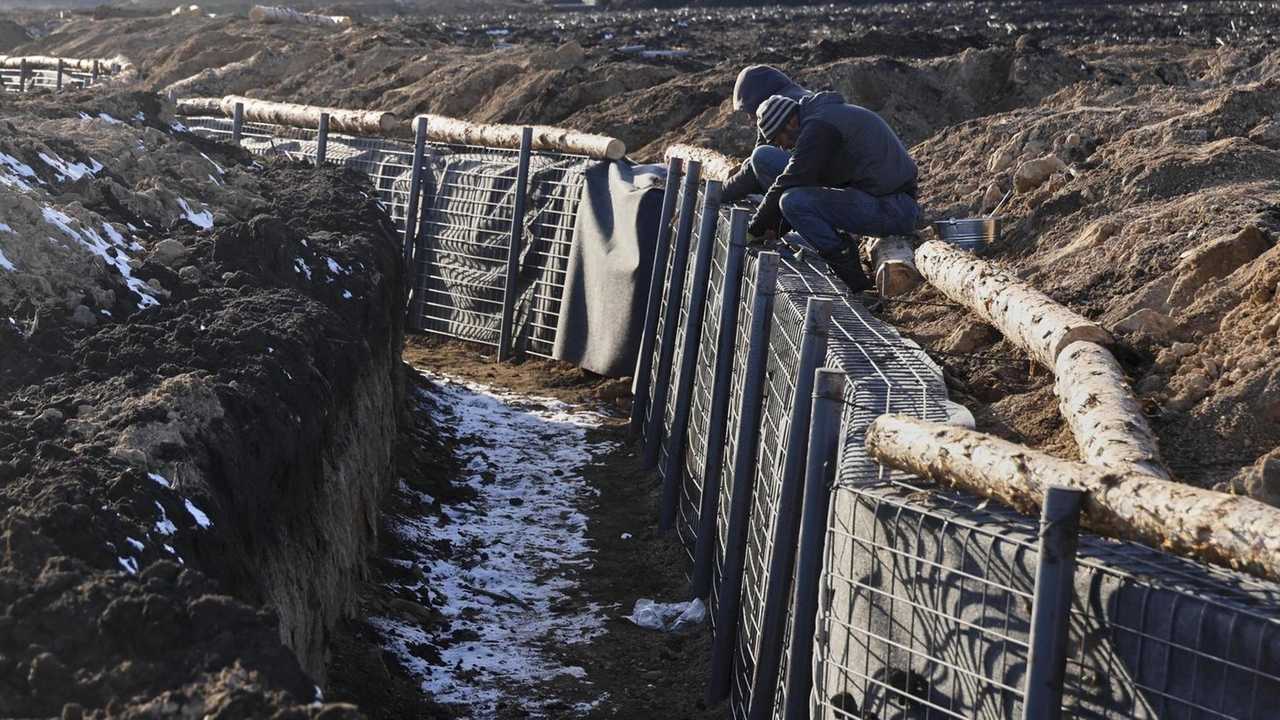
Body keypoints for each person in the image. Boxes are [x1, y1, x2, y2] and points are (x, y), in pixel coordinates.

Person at [733, 92, 920, 293]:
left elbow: (792, 180)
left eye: (780, 138)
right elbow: (802, 179)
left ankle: (854, 280)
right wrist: (774, 227)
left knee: (791, 201)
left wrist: (754, 229)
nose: (784, 147)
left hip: (894, 209)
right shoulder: (821, 118)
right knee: (770, 165)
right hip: (884, 199)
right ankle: (799, 234)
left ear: (792, 122)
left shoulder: (819, 129)